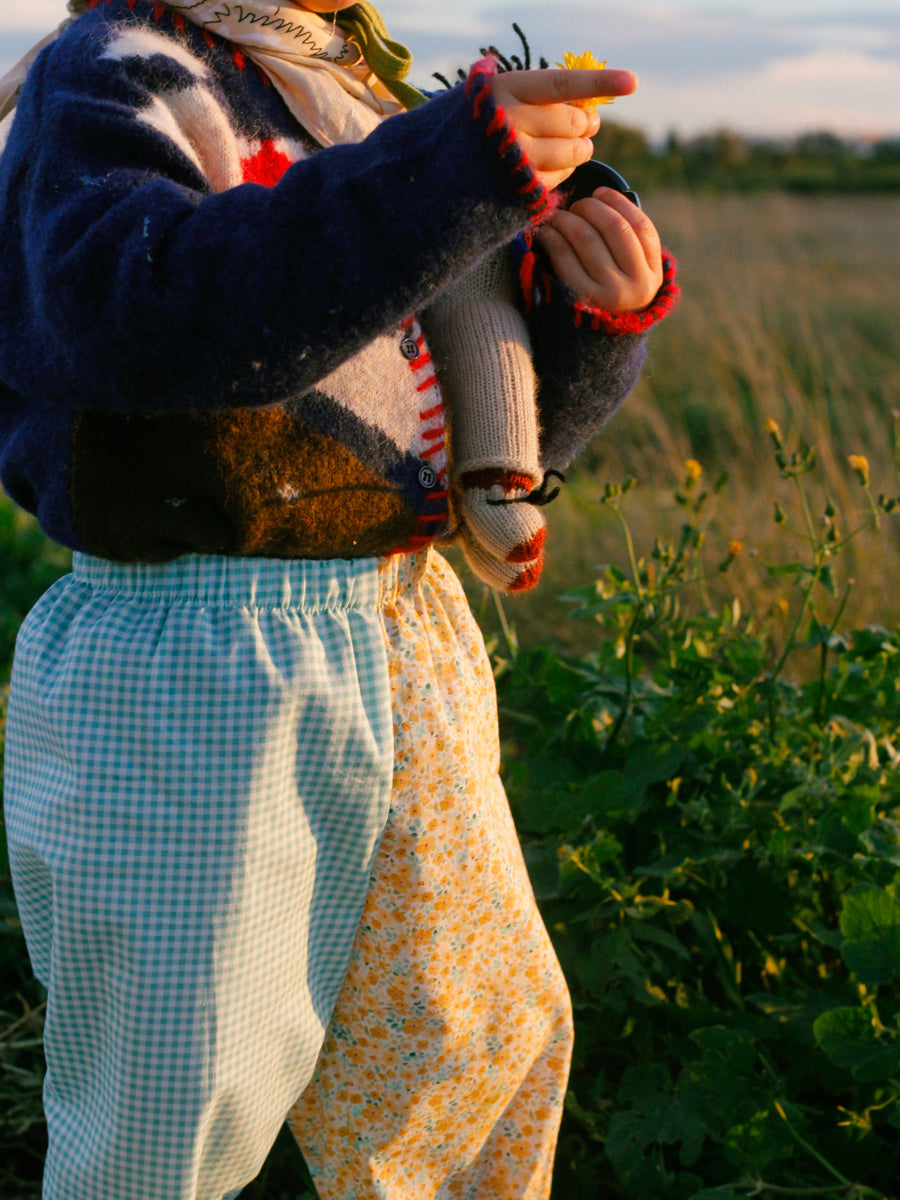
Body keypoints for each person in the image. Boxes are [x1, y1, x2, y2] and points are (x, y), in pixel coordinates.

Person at [0, 2, 678, 1198]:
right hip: (195, 663)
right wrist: (443, 173)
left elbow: (447, 428)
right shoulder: (111, 70)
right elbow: (134, 318)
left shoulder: (350, 90)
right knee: (169, 1106)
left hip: (406, 626)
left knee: (472, 1052)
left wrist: (586, 319)